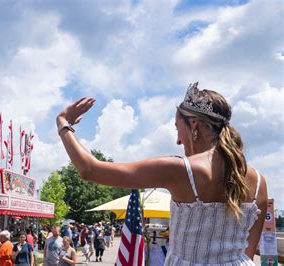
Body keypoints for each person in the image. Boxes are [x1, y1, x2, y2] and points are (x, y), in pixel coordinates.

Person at [57, 82, 268, 265]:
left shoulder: (180, 170)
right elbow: (248, 253)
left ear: (193, 125)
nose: (178, 140)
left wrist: (63, 124)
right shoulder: (259, 181)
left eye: (178, 128)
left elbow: (90, 169)